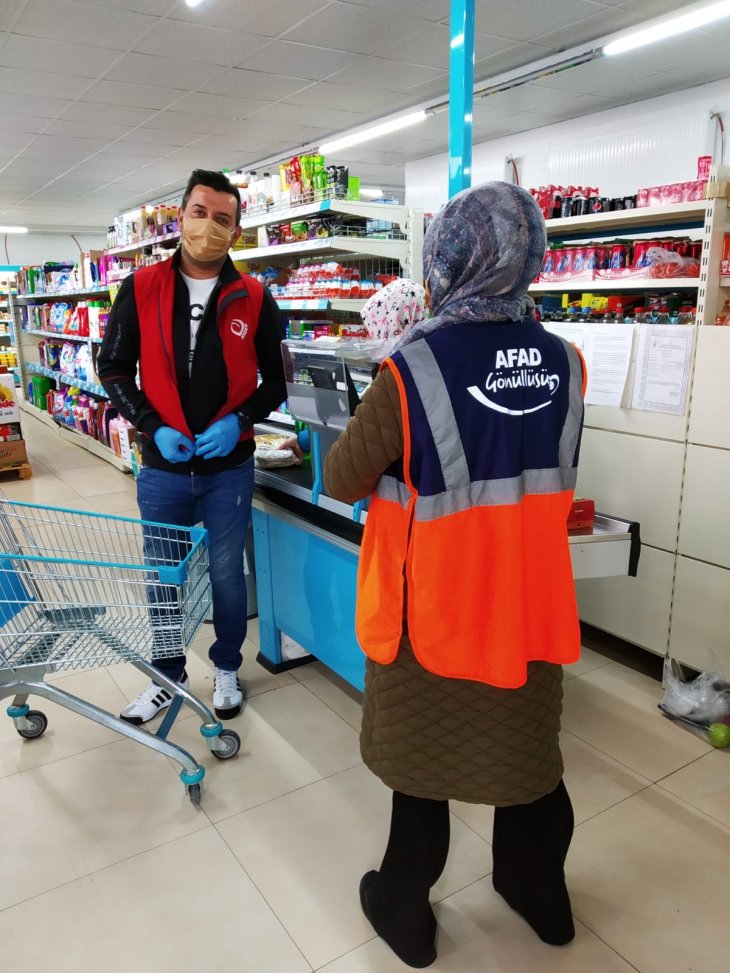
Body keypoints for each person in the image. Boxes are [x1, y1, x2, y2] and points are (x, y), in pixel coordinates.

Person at [323, 182, 586, 968]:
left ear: (447, 258)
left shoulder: (412, 368)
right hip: (530, 611)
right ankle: (541, 897)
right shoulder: (566, 361)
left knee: (423, 778)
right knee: (530, 769)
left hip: (431, 616)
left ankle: (404, 911)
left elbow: (342, 476)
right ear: (525, 256)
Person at [98, 168, 286, 725]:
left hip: (229, 466)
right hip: (161, 466)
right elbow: (112, 368)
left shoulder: (254, 296)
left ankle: (226, 665)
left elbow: (277, 379)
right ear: (180, 215)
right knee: (163, 574)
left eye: (222, 219)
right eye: (200, 212)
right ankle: (166, 674)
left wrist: (242, 419)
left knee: (228, 574)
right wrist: (150, 425)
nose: (209, 226)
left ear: (236, 231)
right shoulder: (141, 288)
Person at [283, 279, 428, 461]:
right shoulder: (420, 360)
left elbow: (375, 437)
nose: (368, 338)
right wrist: (307, 439)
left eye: (373, 330)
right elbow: (369, 426)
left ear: (391, 324)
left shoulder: (403, 375)